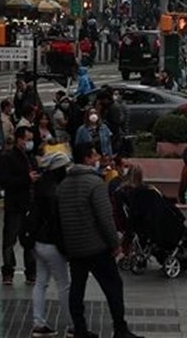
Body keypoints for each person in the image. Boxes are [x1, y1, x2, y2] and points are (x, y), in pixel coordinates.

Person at [56, 144, 140, 338]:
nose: (98, 158)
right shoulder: (95, 183)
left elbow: (59, 217)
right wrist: (115, 245)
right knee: (113, 287)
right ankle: (120, 328)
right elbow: (105, 217)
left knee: (77, 288)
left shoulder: (64, 185)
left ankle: (80, 329)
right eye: (95, 155)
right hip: (96, 246)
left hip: (74, 247)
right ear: (86, 159)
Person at [26, 150, 72, 338]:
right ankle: (73, 324)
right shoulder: (57, 191)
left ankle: (39, 323)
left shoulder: (41, 186)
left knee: (40, 283)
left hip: (38, 242)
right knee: (64, 285)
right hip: (53, 245)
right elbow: (59, 222)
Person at [0, 125, 38, 285]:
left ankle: (31, 272)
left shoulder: (30, 157)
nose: (29, 143)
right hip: (14, 205)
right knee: (10, 240)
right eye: (27, 139)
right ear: (19, 139)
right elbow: (4, 181)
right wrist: (26, 179)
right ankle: (8, 271)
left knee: (29, 241)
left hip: (29, 205)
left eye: (31, 140)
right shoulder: (8, 157)